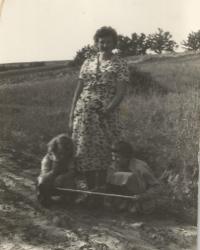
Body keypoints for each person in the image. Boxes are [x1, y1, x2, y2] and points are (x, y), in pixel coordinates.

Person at [69, 26, 129, 191]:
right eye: (101, 42)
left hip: (105, 116)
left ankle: (101, 189)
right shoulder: (87, 62)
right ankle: (89, 190)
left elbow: (121, 92)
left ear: (114, 43)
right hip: (83, 116)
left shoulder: (120, 64)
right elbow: (78, 90)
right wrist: (72, 114)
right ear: (96, 43)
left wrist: (108, 110)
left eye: (108, 42)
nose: (105, 45)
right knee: (85, 150)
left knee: (103, 151)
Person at [106, 141, 160, 213]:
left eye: (117, 157)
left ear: (127, 157)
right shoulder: (113, 166)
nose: (114, 159)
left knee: (131, 177)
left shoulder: (140, 167)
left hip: (142, 200)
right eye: (112, 156)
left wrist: (143, 196)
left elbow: (156, 186)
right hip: (123, 198)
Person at [37, 134, 76, 207]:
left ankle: (65, 199)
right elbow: (45, 173)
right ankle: (45, 198)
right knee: (42, 180)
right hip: (50, 178)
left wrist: (62, 177)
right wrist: (54, 171)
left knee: (70, 182)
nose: (62, 156)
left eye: (65, 153)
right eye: (60, 153)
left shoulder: (70, 158)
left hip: (63, 180)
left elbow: (72, 171)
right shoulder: (48, 158)